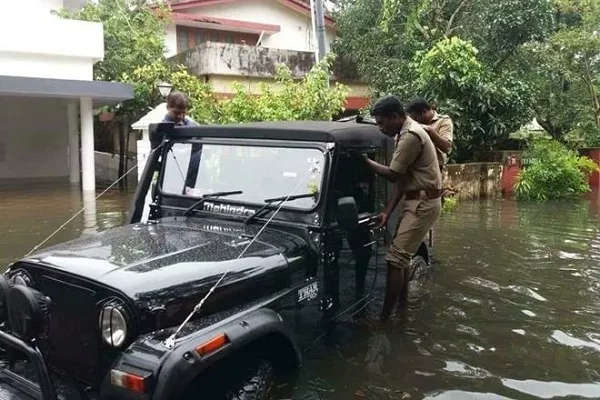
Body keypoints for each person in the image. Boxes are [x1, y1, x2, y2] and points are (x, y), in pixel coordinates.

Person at [362, 95, 442, 320]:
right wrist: (387, 212)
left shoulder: (411, 136)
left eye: (381, 122)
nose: (380, 128)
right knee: (403, 258)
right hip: (416, 199)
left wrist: (365, 162)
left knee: (394, 260)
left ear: (395, 116)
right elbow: (402, 180)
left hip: (423, 203)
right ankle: (403, 309)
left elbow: (393, 175)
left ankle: (385, 320)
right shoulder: (404, 132)